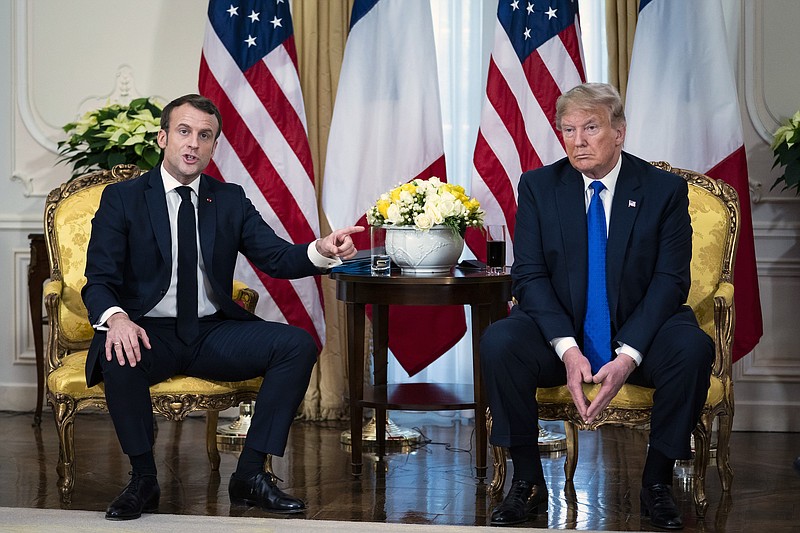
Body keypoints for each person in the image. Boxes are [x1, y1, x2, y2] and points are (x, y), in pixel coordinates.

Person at [82, 93, 363, 521]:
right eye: (184, 131)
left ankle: (250, 474)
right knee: (118, 352)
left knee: (296, 345)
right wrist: (117, 319)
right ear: (163, 137)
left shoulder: (228, 199)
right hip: (147, 330)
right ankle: (143, 479)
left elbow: (276, 257)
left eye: (204, 135)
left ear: (214, 148)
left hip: (211, 332)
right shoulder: (124, 199)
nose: (193, 143)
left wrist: (321, 250)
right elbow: (98, 281)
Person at [480, 83, 713, 530]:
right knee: (500, 342)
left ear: (619, 132)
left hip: (640, 329)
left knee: (692, 348)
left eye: (590, 127)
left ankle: (657, 482)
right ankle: (527, 482)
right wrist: (567, 349)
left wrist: (628, 356)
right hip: (561, 332)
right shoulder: (539, 186)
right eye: (568, 129)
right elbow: (528, 275)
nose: (577, 140)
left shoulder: (663, 190)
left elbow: (671, 281)